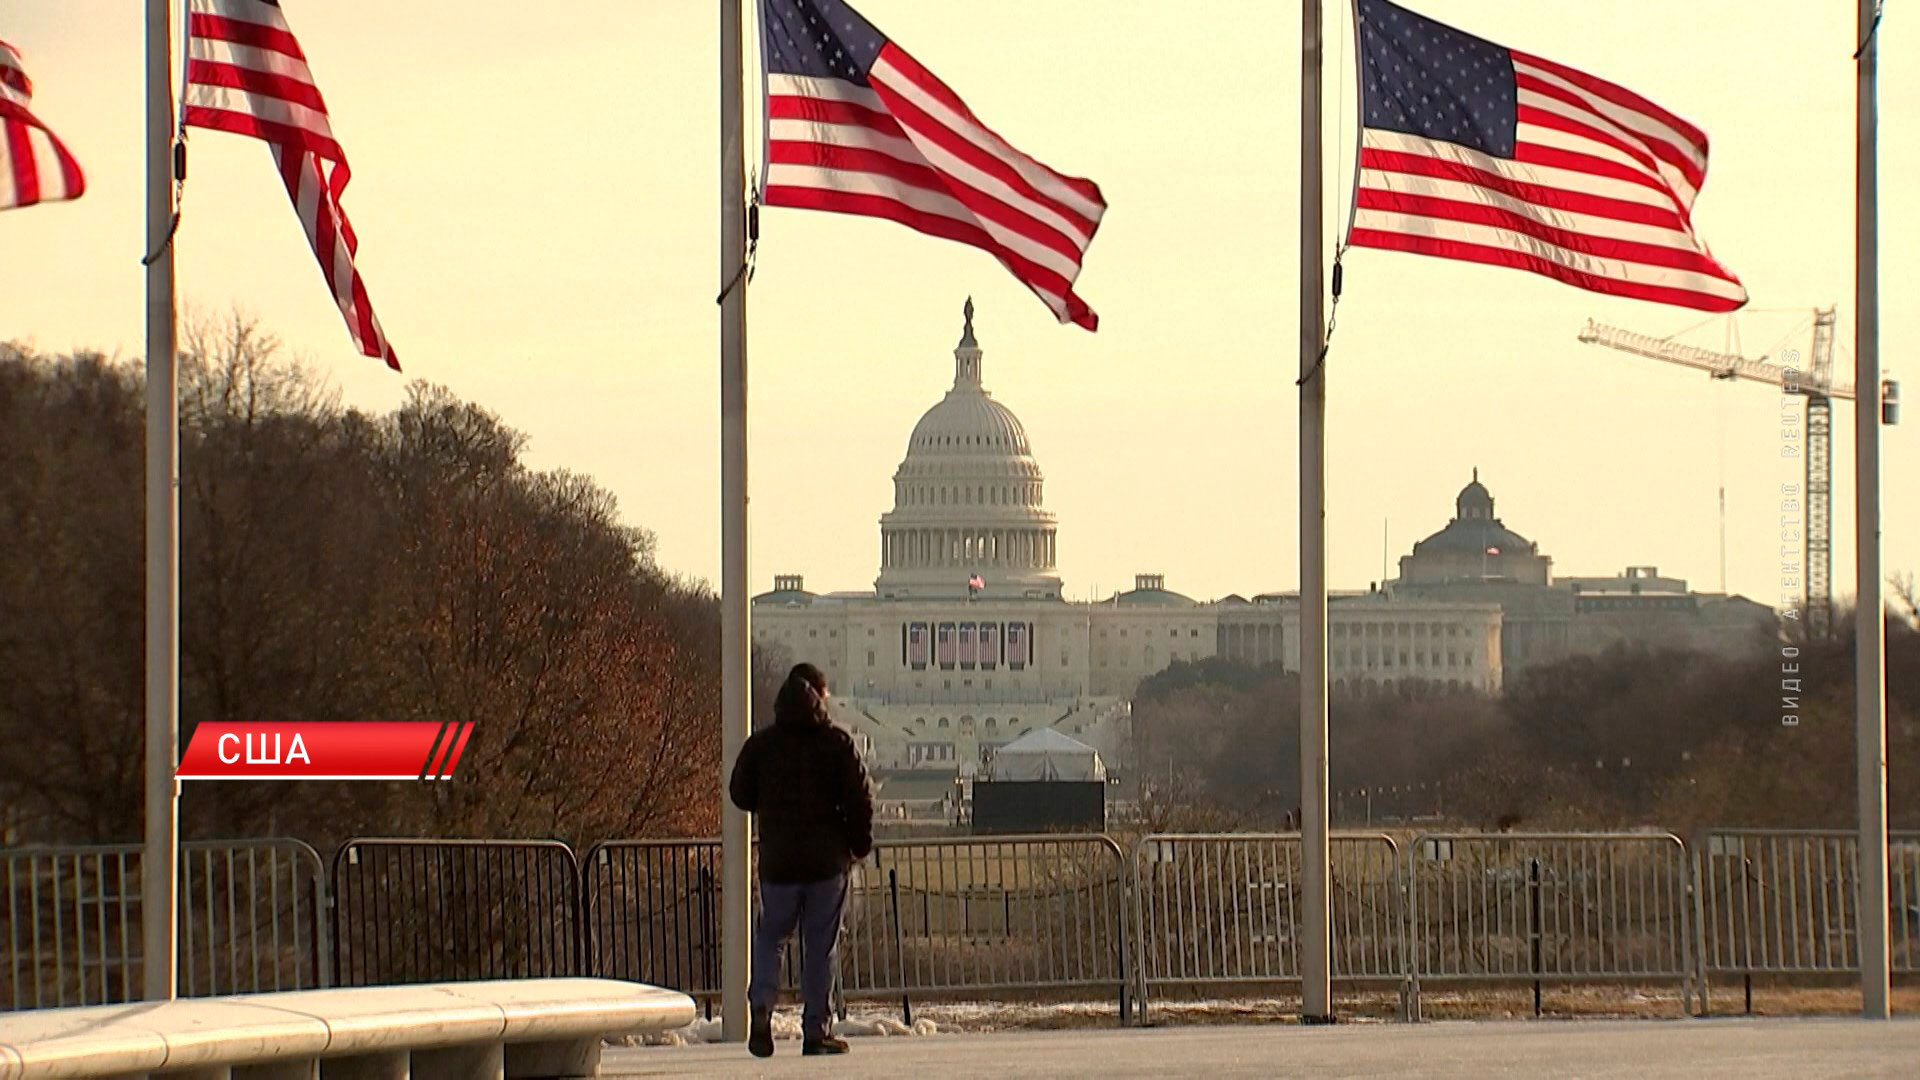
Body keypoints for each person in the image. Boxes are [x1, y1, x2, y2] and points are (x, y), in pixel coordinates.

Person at [728, 662, 874, 1057]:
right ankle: (815, 1030)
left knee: (770, 938)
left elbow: (739, 794)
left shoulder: (762, 744)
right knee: (819, 946)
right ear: (819, 697)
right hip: (827, 863)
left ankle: (761, 1007)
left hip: (778, 861)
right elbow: (861, 798)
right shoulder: (836, 743)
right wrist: (858, 843)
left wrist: (770, 805)